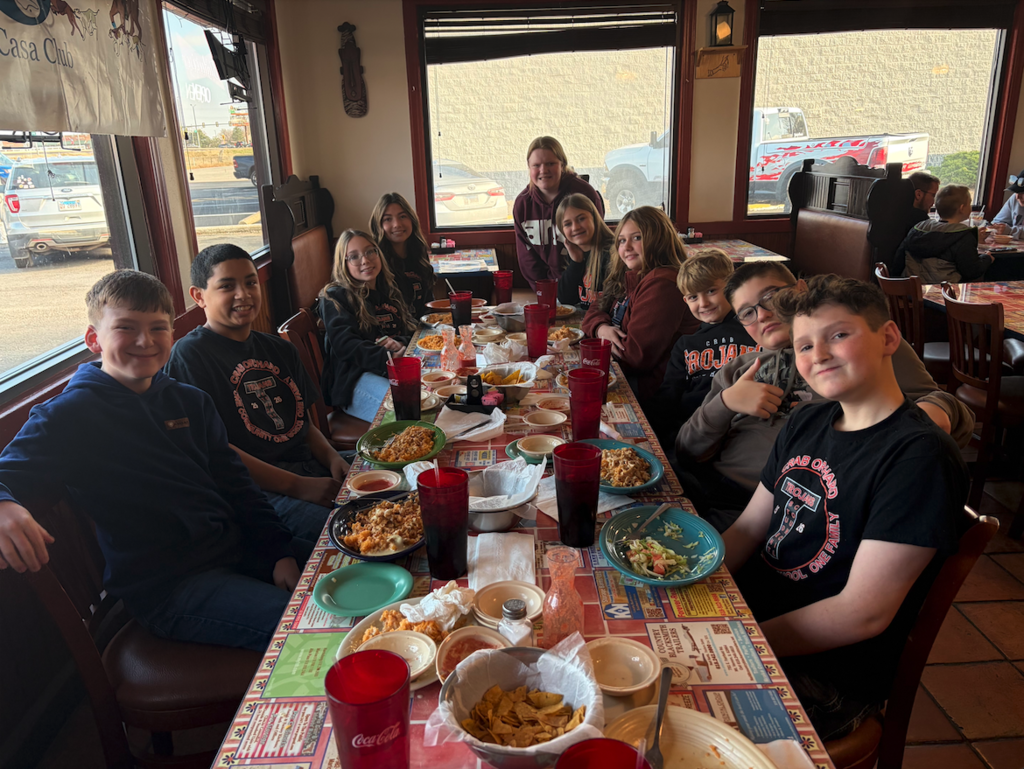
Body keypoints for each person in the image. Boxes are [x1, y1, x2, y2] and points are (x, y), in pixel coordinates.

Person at [0, 270, 307, 652]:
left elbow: (238, 486)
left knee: (349, 562)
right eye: (126, 328)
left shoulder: (191, 401)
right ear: (94, 339)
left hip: (235, 549)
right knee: (310, 628)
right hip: (171, 588)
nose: (145, 341)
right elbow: (7, 473)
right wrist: (4, 504)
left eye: (158, 328)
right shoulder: (67, 415)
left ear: (172, 335)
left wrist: (277, 552)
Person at [722, 275, 968, 741]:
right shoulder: (807, 420)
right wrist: (686, 573)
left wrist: (741, 644)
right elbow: (750, 527)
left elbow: (863, 612)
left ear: (888, 337)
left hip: (828, 676)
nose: (818, 355)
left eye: (838, 335)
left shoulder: (917, 456)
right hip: (754, 619)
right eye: (803, 345)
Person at [675, 262, 972, 531]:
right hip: (710, 491)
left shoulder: (853, 354)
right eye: (748, 313)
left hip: (792, 512)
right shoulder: (738, 369)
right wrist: (726, 403)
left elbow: (942, 404)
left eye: (770, 297)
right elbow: (687, 450)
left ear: (799, 290)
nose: (763, 314)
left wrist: (917, 423)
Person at [165, 244, 348, 543]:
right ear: (199, 296)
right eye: (227, 286)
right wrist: (300, 486)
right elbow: (216, 450)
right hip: (260, 492)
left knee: (400, 482)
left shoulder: (279, 348)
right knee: (351, 531)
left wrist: (331, 458)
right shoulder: (190, 355)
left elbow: (302, 423)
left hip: (309, 468)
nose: (244, 294)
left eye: (251, 282)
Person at [581, 206, 698, 402]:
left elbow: (635, 357)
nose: (626, 248)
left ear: (659, 240)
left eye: (637, 238)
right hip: (627, 374)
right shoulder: (631, 275)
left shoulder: (663, 284)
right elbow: (596, 306)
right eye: (621, 240)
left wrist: (601, 336)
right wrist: (602, 328)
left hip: (651, 391)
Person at [648, 249, 760, 450]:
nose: (703, 303)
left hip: (746, 429)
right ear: (685, 301)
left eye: (711, 291)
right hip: (695, 430)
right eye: (693, 297)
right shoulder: (685, 344)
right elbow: (668, 396)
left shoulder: (755, 329)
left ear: (731, 286)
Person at [320, 229, 417, 422]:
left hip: (391, 372)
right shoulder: (335, 297)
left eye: (370, 251)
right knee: (407, 410)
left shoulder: (389, 289)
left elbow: (411, 330)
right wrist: (388, 357)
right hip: (354, 380)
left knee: (432, 398)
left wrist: (399, 343)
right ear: (343, 263)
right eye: (354, 257)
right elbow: (345, 345)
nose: (365, 260)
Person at [513, 136, 605, 290]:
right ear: (529, 168)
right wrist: (544, 290)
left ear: (562, 165)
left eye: (550, 163)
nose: (543, 170)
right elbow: (527, 259)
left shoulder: (584, 194)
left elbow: (597, 245)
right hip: (546, 290)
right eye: (536, 165)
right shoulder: (522, 204)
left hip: (587, 286)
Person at [895, 184, 991, 282]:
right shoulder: (963, 236)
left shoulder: (918, 228)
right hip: (942, 293)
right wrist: (987, 258)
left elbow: (898, 260)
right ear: (962, 208)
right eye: (969, 203)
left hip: (909, 292)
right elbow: (971, 271)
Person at [370, 192, 435, 319]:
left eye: (402, 216)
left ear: (412, 219)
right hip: (392, 335)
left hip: (423, 329)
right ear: (378, 225)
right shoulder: (375, 260)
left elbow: (428, 302)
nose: (397, 224)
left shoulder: (419, 253)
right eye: (388, 219)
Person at [554, 192, 614, 310]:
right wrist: (576, 262)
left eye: (581, 219)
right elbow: (566, 299)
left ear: (594, 218)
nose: (575, 227)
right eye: (567, 224)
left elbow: (613, 304)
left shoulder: (613, 252)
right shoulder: (574, 252)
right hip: (590, 320)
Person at [991, 169, 1024, 239]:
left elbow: (1008, 231)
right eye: (1016, 192)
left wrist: (1010, 231)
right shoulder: (1015, 198)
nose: (1017, 197)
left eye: (1022, 193)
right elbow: (997, 222)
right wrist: (998, 228)